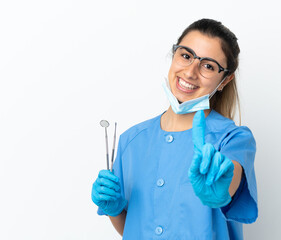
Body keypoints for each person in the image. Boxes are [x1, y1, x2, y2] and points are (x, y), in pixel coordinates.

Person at [91, 18, 258, 240]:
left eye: (208, 66)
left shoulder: (232, 139)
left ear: (225, 80)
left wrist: (222, 190)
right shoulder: (131, 141)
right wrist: (114, 210)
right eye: (186, 55)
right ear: (174, 55)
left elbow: (231, 178)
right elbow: (134, 229)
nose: (190, 72)